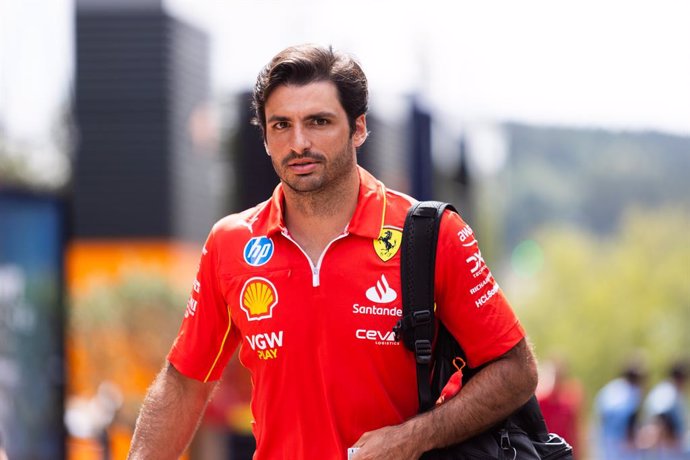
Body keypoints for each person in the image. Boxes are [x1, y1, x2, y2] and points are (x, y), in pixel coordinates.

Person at [127, 43, 538, 460]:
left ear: (358, 128)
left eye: (318, 121)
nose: (299, 142)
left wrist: (413, 438)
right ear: (265, 137)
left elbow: (516, 371)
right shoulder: (229, 243)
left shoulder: (432, 234)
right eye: (281, 125)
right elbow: (185, 382)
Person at [593, 361, 647, 459]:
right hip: (624, 450)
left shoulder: (608, 390)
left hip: (605, 446)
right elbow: (630, 425)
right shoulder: (633, 393)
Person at [638, 360, 689, 459]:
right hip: (667, 452)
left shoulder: (670, 392)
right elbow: (658, 420)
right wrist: (671, 440)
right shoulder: (667, 393)